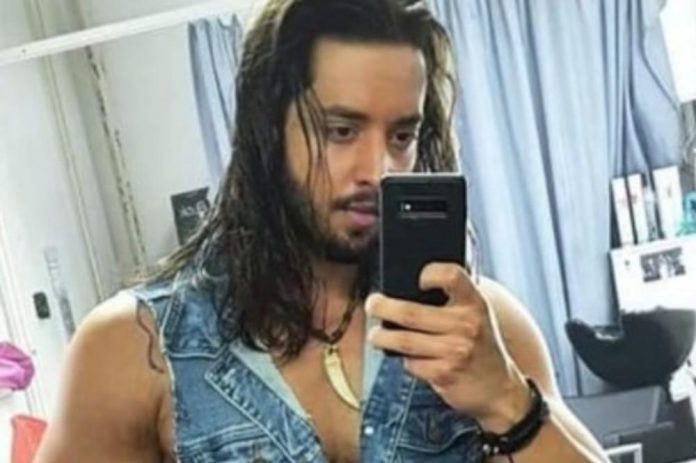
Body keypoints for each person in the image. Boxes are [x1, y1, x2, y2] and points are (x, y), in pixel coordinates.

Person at [36, 0, 608, 461]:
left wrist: (506, 401)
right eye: (341, 131)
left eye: (402, 137)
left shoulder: (480, 327)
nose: (378, 171)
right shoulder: (134, 351)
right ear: (268, 131)